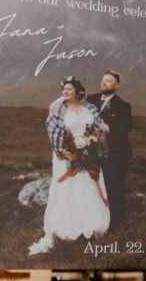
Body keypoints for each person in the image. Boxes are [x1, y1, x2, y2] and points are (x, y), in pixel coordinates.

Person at [29, 77, 109, 255]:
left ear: (78, 92)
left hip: (89, 153)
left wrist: (97, 136)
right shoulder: (58, 109)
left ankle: (91, 225)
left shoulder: (89, 108)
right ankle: (68, 227)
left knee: (88, 188)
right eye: (63, 89)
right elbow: (53, 132)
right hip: (67, 155)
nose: (65, 92)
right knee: (70, 188)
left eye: (69, 90)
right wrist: (66, 151)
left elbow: (97, 125)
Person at [87, 70, 133, 230]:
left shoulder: (123, 105)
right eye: (102, 79)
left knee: (115, 186)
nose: (103, 82)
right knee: (95, 185)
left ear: (116, 86)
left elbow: (128, 125)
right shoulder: (90, 100)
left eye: (108, 80)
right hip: (94, 153)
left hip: (117, 153)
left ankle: (117, 223)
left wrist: (109, 127)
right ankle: (97, 220)